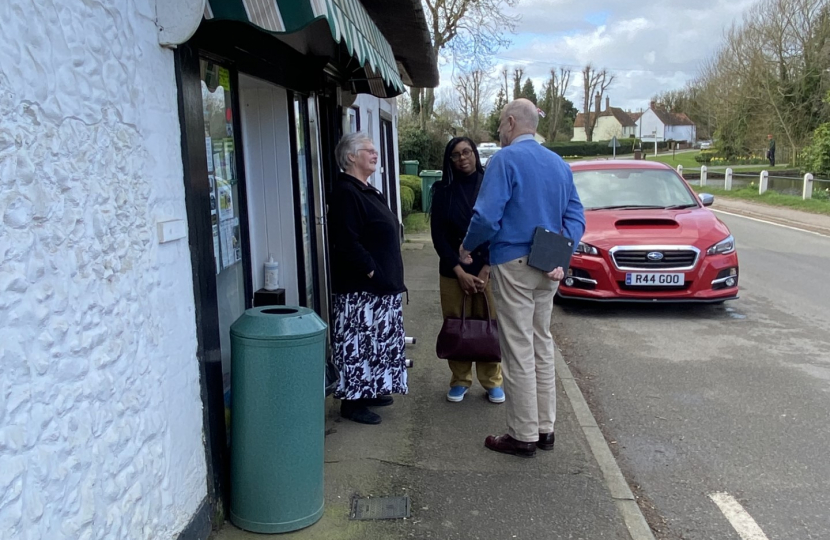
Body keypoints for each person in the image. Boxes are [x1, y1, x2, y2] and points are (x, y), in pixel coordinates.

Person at [460, 99, 586, 458]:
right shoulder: (559, 164)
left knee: (517, 349)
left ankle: (522, 434)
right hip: (548, 264)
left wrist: (467, 248)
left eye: (501, 124)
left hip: (512, 260)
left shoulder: (505, 160)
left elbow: (486, 216)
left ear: (512, 123)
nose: (500, 130)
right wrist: (561, 253)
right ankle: (545, 429)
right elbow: (576, 216)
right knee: (541, 344)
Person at [327, 132, 408, 425]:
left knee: (376, 343)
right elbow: (347, 242)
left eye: (376, 150)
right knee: (358, 343)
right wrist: (373, 270)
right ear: (351, 157)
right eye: (369, 150)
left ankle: (370, 389)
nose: (375, 154)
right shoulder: (346, 192)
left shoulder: (365, 189)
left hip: (380, 287)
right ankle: (353, 402)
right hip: (360, 288)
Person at [430, 137, 505, 404]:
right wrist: (459, 271)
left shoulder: (492, 185)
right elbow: (438, 236)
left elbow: (502, 228)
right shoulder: (442, 191)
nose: (463, 158)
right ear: (449, 160)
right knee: (456, 324)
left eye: (467, 152)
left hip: (489, 268)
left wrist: (486, 268)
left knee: (489, 323)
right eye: (456, 154)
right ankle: (460, 379)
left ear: (475, 154)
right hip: (452, 271)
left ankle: (492, 381)